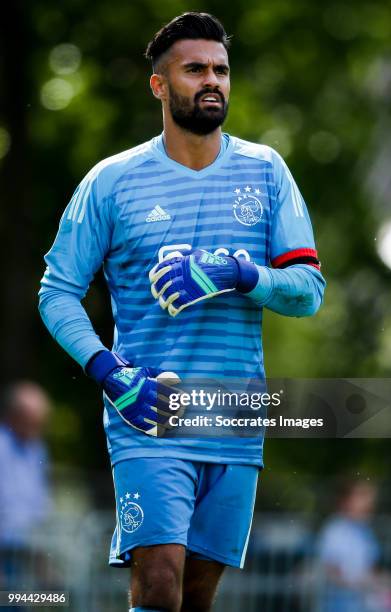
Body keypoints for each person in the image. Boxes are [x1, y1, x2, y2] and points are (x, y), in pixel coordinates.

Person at [38, 12, 325, 612]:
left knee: (196, 595)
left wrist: (243, 274)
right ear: (160, 86)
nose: (212, 80)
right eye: (195, 69)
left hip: (234, 412)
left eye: (221, 69)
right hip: (149, 410)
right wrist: (105, 371)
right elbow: (56, 290)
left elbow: (308, 291)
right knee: (159, 580)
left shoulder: (266, 170)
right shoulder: (111, 182)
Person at [0, 382, 52, 592]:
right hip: (4, 552)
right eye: (31, 422)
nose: (36, 429)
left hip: (25, 551)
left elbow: (38, 502)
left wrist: (43, 563)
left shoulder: (37, 448)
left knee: (22, 602)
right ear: (14, 416)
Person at [316, 479, 381, 612]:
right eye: (362, 498)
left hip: (363, 601)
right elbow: (330, 571)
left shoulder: (365, 531)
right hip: (338, 603)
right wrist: (361, 584)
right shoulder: (335, 530)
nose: (368, 504)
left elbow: (371, 570)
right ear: (346, 501)